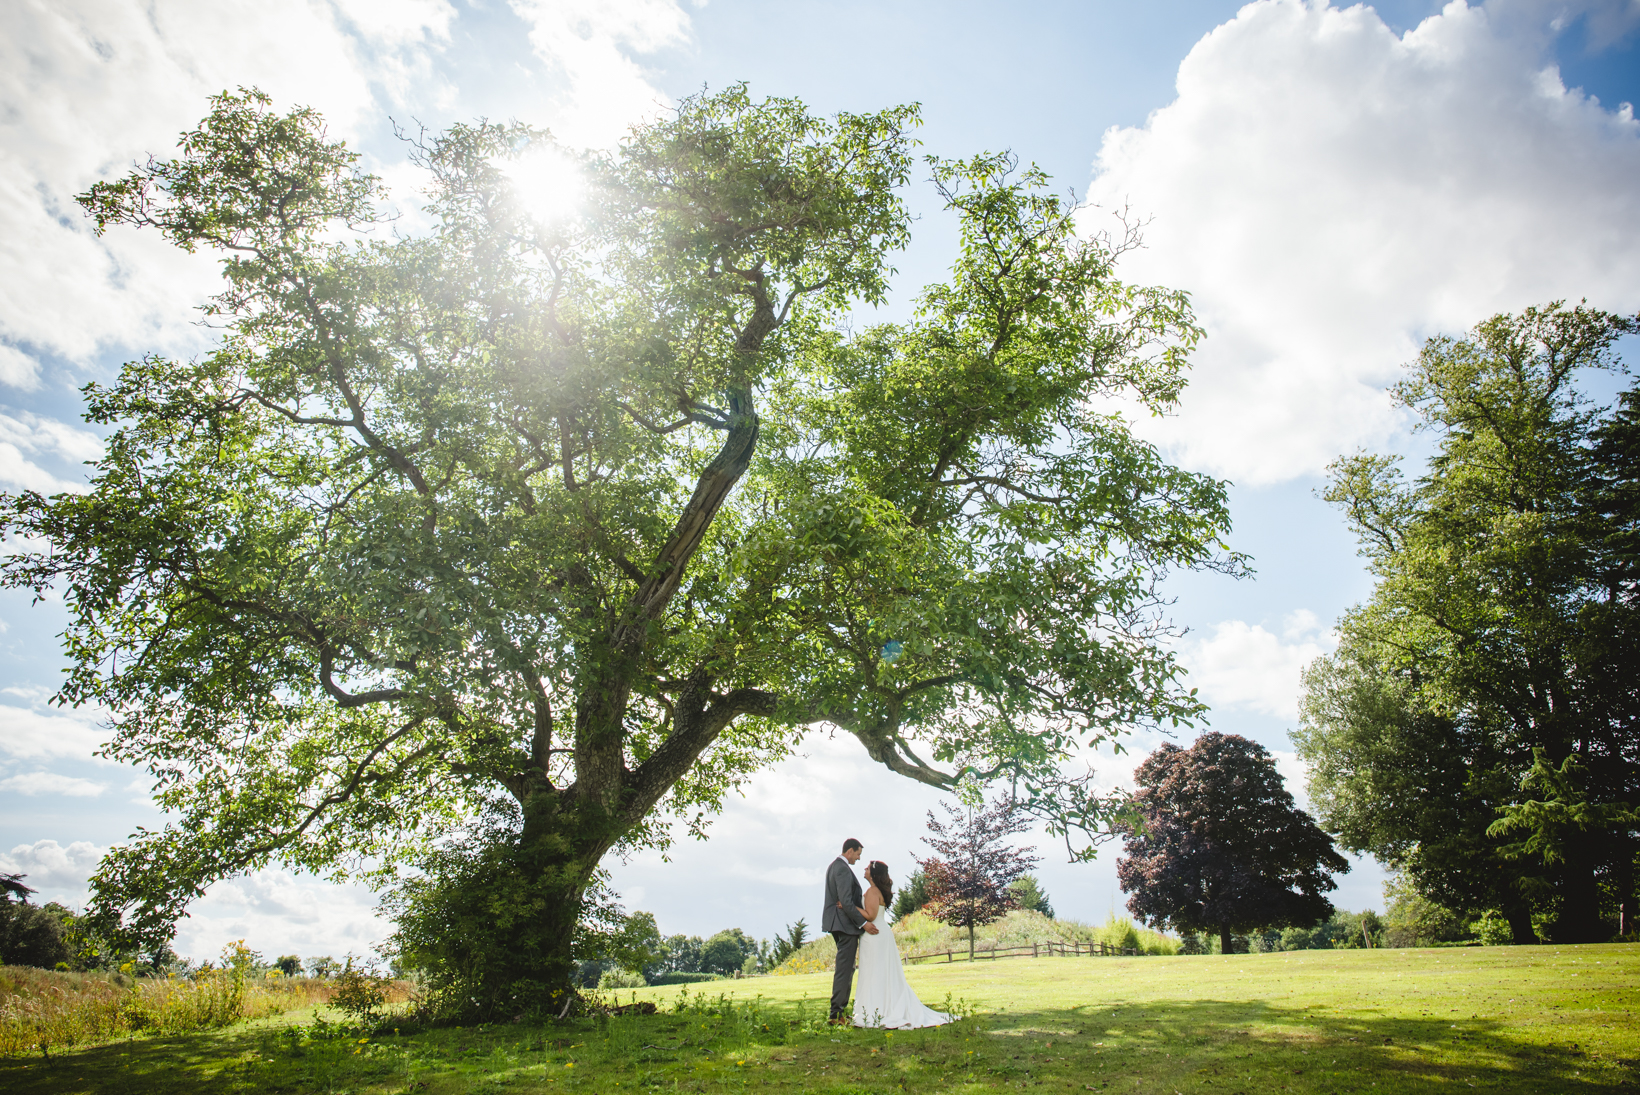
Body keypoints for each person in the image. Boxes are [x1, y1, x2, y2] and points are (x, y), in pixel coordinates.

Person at [846, 860, 950, 1028]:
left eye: (867, 868)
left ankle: (874, 1010)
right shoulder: (876, 890)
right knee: (879, 972)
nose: (864, 869)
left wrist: (849, 907)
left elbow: (870, 915)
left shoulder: (873, 891)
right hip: (879, 934)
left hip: (874, 934)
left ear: (873, 874)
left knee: (874, 972)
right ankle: (875, 1008)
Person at [821, 838, 877, 1022]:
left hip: (838, 923)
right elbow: (846, 902)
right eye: (858, 854)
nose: (859, 859)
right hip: (845, 925)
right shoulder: (843, 869)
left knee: (846, 967)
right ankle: (836, 1014)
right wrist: (863, 923)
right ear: (850, 851)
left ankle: (838, 1011)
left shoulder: (834, 866)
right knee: (845, 969)